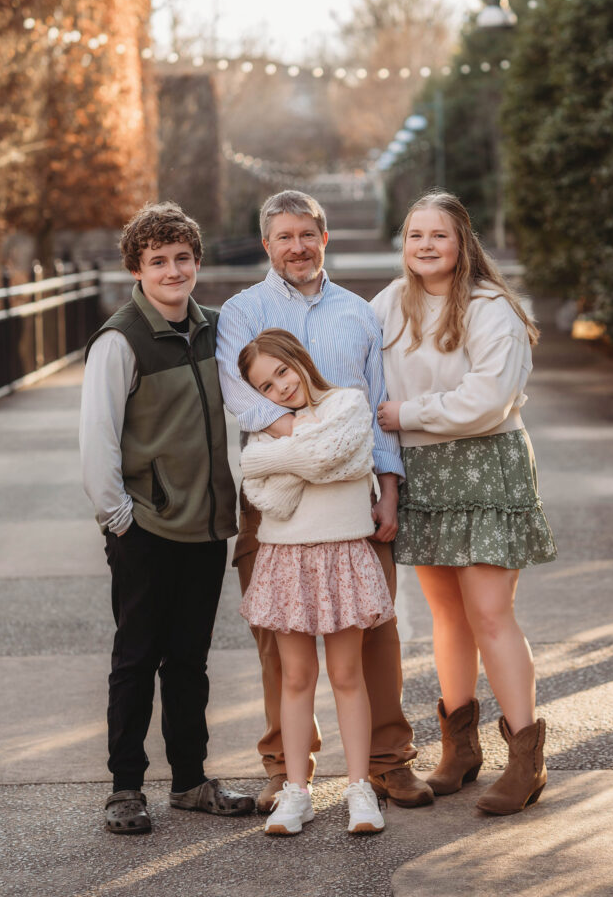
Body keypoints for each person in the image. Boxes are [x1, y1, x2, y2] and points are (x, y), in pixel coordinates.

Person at [216, 190, 433, 814]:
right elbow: (245, 401)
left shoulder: (360, 315)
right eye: (284, 237)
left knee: (373, 627)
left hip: (354, 500)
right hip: (277, 498)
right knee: (277, 635)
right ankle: (286, 769)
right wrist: (316, 440)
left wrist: (388, 487)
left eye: (307, 234)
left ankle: (388, 763)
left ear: (324, 237)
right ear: (266, 244)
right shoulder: (241, 312)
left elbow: (378, 403)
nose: (297, 247)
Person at [372, 191, 557, 816]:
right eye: (414, 235)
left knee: (489, 613)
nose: (425, 245)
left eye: (439, 236)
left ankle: (527, 759)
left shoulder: (491, 308)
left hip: (485, 466)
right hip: (423, 472)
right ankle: (460, 749)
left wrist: (407, 414)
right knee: (445, 614)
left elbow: (488, 401)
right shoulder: (388, 306)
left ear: (462, 244)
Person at [79, 200, 254, 834]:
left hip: (206, 528)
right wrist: (118, 517)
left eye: (182, 258)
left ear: (197, 262)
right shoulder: (120, 340)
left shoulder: (213, 329)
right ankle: (125, 788)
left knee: (189, 661)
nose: (173, 270)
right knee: (135, 659)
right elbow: (97, 436)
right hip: (145, 528)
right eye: (158, 261)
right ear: (138, 268)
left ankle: (190, 781)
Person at [237, 329, 392, 835]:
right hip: (285, 560)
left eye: (281, 372)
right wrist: (309, 454)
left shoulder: (348, 402)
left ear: (299, 360)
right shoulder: (265, 428)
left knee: (348, 675)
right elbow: (266, 493)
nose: (278, 389)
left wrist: (287, 457)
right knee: (296, 677)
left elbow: (322, 459)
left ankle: (358, 789)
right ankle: (296, 793)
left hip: (343, 553)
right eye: (264, 387)